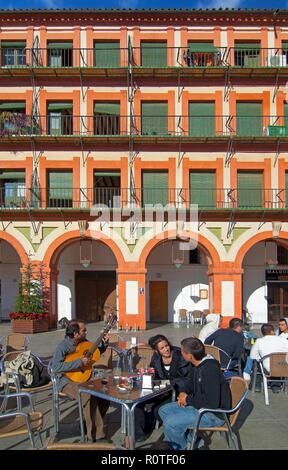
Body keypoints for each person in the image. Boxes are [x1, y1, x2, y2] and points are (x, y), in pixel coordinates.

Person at [159, 337, 231, 450]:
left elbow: (212, 402)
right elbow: (190, 384)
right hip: (199, 405)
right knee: (163, 410)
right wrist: (183, 393)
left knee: (170, 423)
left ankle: (180, 449)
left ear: (189, 356)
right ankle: (192, 442)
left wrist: (187, 399)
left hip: (214, 413)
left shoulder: (210, 369)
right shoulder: (197, 365)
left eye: (182, 351)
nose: (179, 353)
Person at [50, 320, 110, 441]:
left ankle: (85, 424)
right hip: (65, 380)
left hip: (84, 377)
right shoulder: (63, 346)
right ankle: (96, 434)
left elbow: (92, 352)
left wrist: (104, 345)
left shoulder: (84, 342)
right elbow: (55, 367)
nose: (86, 332)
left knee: (104, 394)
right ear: (76, 334)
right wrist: (78, 362)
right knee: (88, 394)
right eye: (84, 330)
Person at [134, 334, 192, 442]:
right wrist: (147, 374)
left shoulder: (180, 356)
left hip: (178, 392)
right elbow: (154, 374)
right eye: (162, 348)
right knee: (137, 402)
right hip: (161, 390)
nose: (166, 349)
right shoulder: (156, 358)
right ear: (156, 351)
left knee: (158, 410)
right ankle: (139, 433)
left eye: (166, 345)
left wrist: (171, 383)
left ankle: (152, 423)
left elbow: (188, 380)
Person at [243, 323, 288, 391]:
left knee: (257, 363)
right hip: (284, 367)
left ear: (262, 332)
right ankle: (276, 386)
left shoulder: (259, 341)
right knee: (276, 364)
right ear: (272, 331)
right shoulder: (284, 340)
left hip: (268, 369)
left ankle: (256, 385)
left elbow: (252, 356)